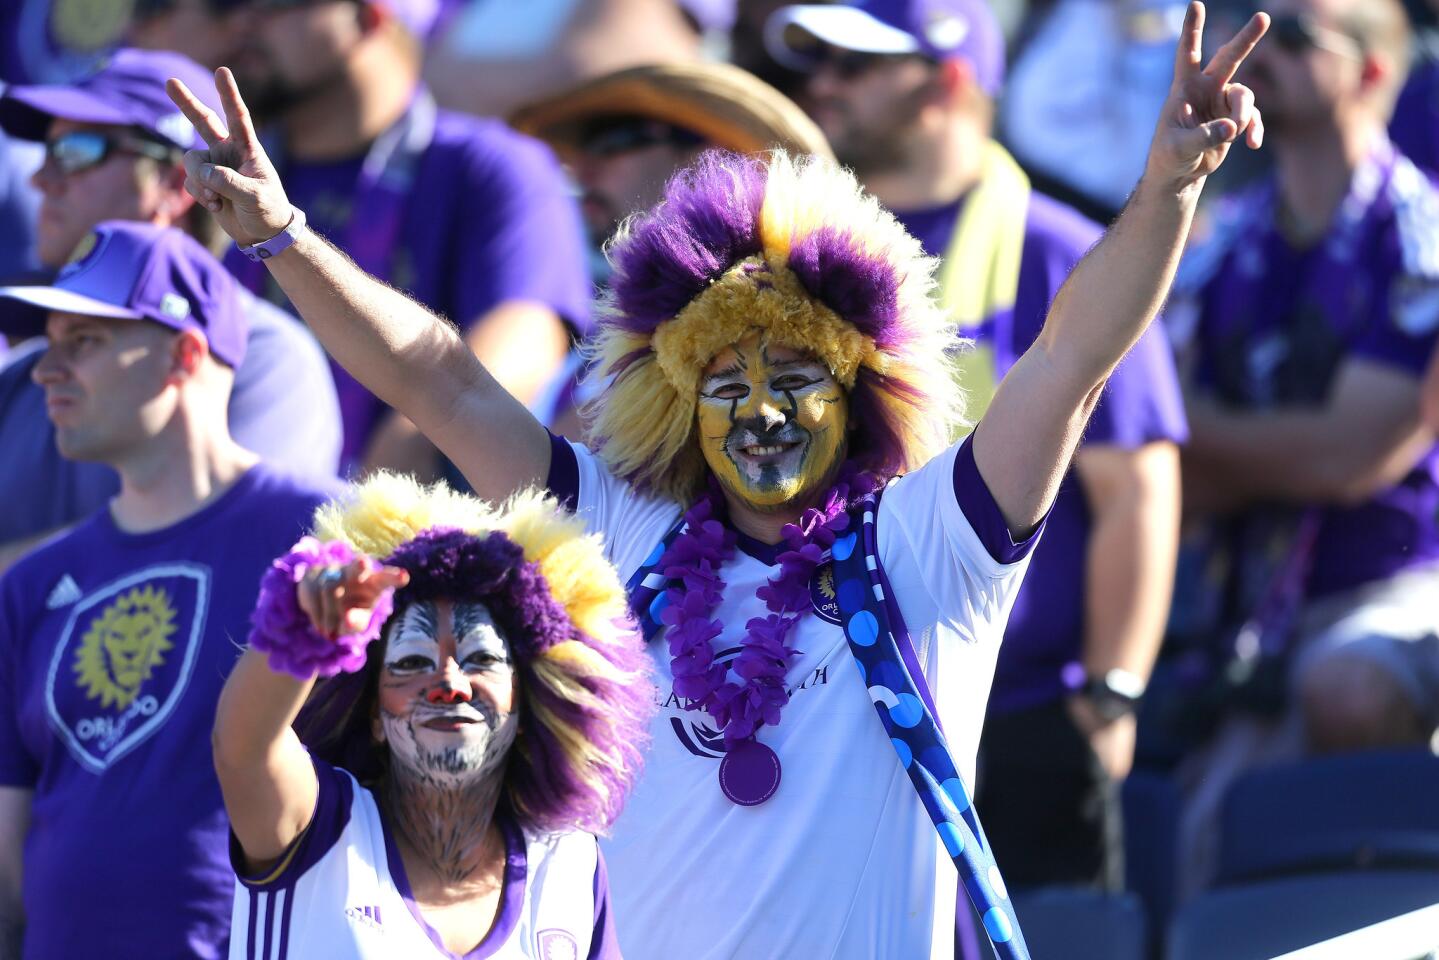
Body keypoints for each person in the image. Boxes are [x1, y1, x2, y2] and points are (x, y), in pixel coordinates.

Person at [167, 4, 1267, 953]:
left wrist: (1167, 184)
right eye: (721, 380)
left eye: (796, 373)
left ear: (862, 389)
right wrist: (281, 235)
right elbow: (442, 385)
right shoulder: (615, 525)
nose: (760, 410)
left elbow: (1069, 362)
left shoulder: (934, 543)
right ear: (675, 402)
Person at [767, 0, 1188, 892]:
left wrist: (1110, 695)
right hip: (841, 706)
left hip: (1028, 715)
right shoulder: (793, 257)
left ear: (948, 79)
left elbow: (1136, 490)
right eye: (820, 64)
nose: (823, 86)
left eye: (855, 65)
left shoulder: (1064, 252)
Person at [0, 220, 341, 959]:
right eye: (48, 342)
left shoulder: (328, 534)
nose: (45, 371)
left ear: (185, 354)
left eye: (83, 342)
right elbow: (9, 854)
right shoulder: (30, 586)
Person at [1170, 0, 1439, 897]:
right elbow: (1156, 469)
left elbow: (1349, 458)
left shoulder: (1420, 234)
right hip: (1236, 608)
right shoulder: (1220, 243)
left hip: (1386, 591)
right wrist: (1196, 446)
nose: (1260, 49)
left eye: (1291, 35)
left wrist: (1186, 431)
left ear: (1368, 72)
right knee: (1178, 856)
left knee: (1345, 689)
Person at [215, 473, 649, 957]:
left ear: (529, 707)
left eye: (481, 660)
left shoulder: (568, 865)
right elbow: (244, 749)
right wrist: (304, 628)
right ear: (374, 717)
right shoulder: (317, 825)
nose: (449, 684)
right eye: (412, 663)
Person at [0, 47, 342, 572]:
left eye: (74, 150)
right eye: (45, 153)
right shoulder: (26, 374)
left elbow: (239, 550)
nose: (40, 179)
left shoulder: (264, 357)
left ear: (173, 182)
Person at [223, 0, 592, 480]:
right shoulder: (224, 176)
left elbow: (527, 341)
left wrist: (406, 448)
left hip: (397, 522)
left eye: (273, 5)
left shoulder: (488, 164)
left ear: (367, 17)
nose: (243, 20)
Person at [510, 59, 831, 435]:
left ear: (711, 158)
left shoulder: (761, 316)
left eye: (614, 142)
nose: (582, 171)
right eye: (582, 151)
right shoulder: (610, 327)